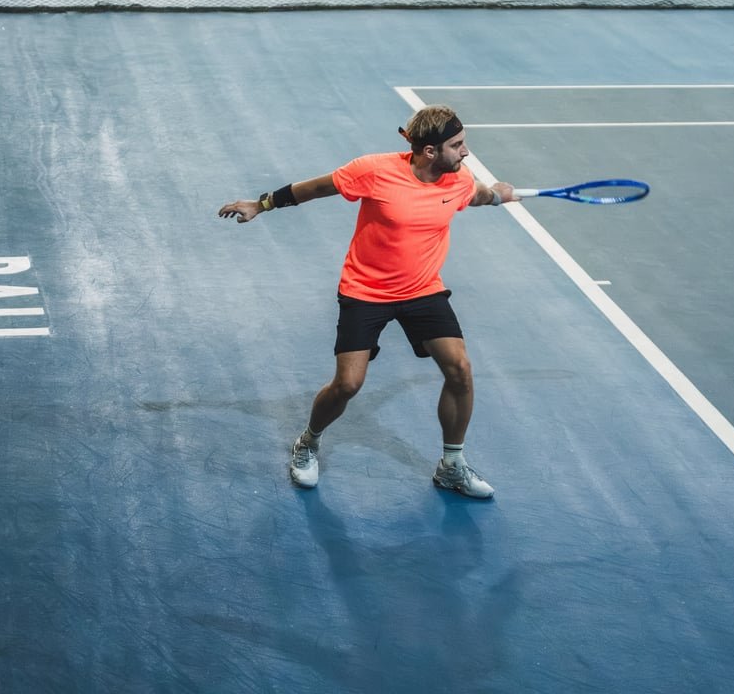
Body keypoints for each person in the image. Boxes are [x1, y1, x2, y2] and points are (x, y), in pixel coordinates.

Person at [218, 105, 516, 498]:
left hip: (422, 289)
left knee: (460, 370)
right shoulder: (374, 171)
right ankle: (308, 441)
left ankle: (451, 466)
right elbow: (316, 188)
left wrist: (495, 196)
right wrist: (262, 204)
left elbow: (472, 194)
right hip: (366, 291)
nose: (465, 151)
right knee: (348, 384)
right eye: (457, 144)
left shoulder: (458, 178)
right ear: (430, 151)